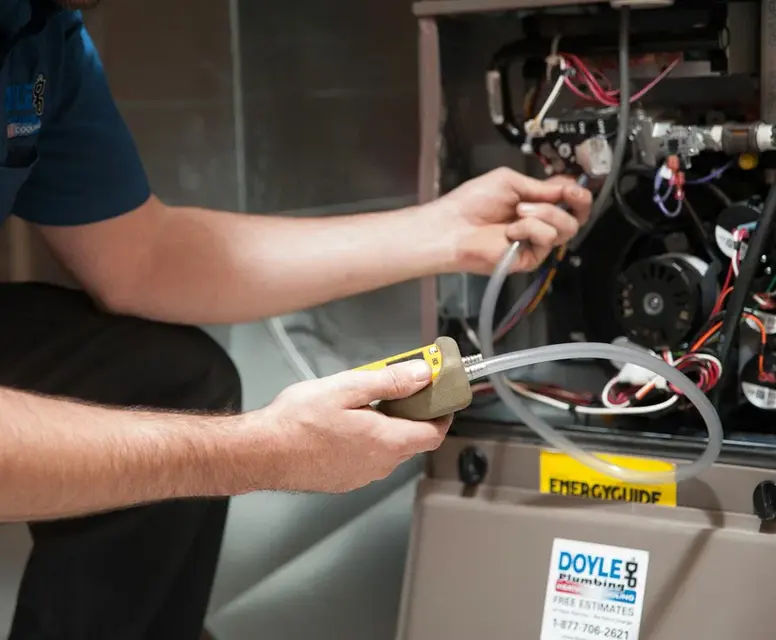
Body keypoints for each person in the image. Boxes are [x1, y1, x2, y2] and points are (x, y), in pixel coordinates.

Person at [0, 0, 593, 638]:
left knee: (169, 378)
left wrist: (441, 231)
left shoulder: (40, 33)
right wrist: (263, 454)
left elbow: (140, 258)